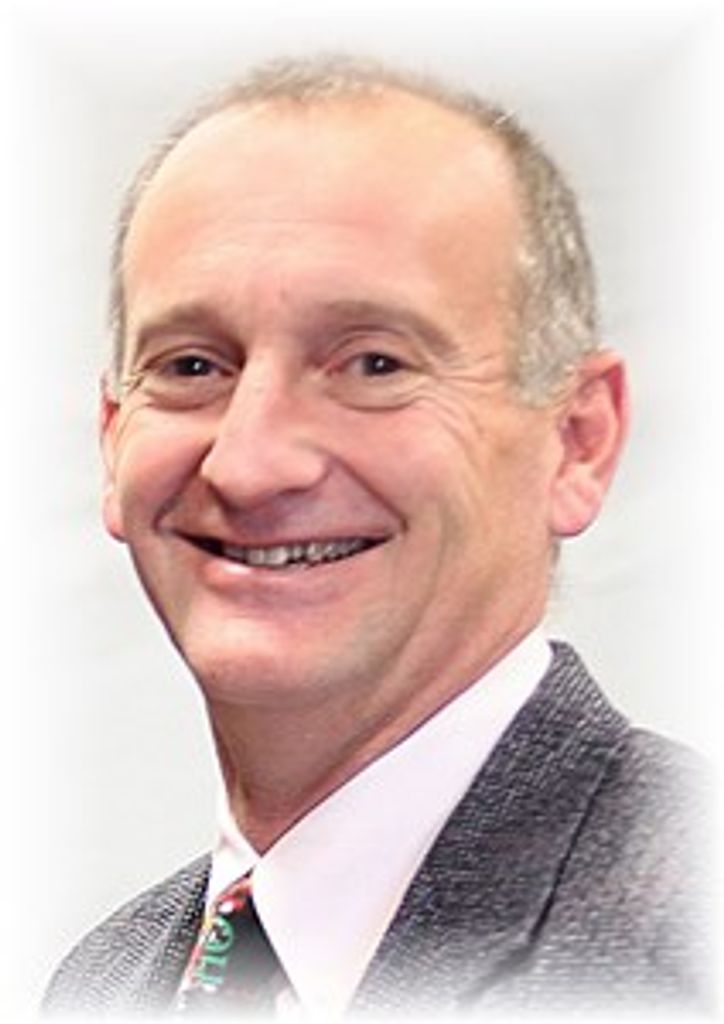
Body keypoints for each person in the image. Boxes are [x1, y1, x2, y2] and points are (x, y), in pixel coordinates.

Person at [43, 55, 710, 1018]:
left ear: (578, 441)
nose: (249, 464)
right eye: (192, 366)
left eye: (374, 364)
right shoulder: (103, 981)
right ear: (112, 441)